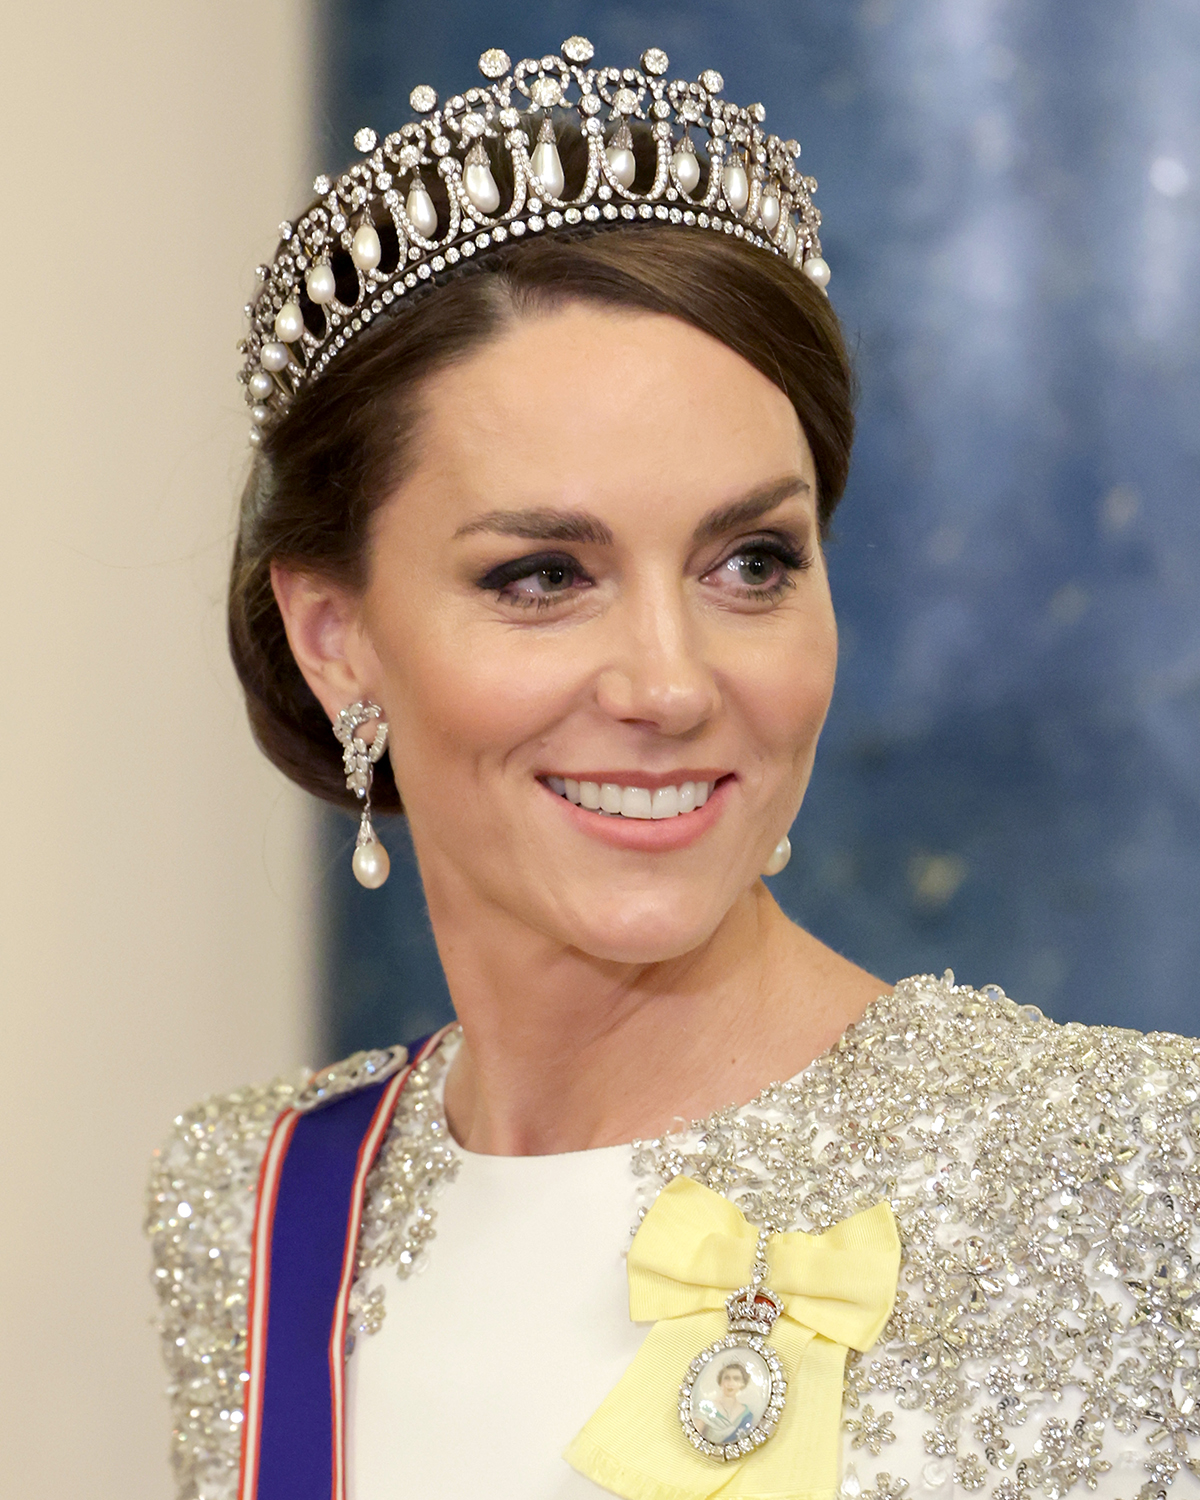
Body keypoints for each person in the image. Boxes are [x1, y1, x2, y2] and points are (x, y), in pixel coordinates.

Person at [146, 36, 1200, 1500]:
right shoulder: (256, 1208)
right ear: (337, 640)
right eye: (538, 575)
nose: (670, 683)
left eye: (751, 561)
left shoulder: (1141, 1180)